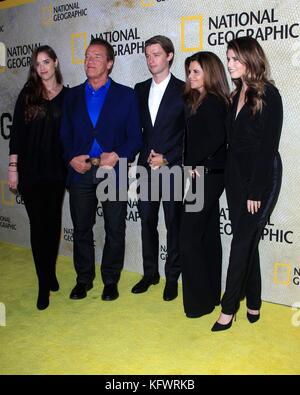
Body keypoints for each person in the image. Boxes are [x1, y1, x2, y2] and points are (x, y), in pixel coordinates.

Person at [60, 38, 142, 302]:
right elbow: (63, 136)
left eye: (96, 57)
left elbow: (135, 138)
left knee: (114, 229)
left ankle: (110, 280)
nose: (89, 61)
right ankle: (83, 280)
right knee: (82, 228)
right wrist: (71, 158)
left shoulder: (126, 95)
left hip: (112, 171)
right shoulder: (71, 96)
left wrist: (117, 155)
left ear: (109, 63)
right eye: (86, 56)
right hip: (80, 171)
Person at [212, 36, 283, 331]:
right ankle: (254, 301)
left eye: (235, 60)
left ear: (251, 60)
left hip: (261, 179)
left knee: (240, 244)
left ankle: (228, 309)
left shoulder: (270, 94)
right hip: (235, 178)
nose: (229, 65)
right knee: (248, 243)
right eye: (227, 59)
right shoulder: (234, 94)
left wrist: (256, 190)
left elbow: (268, 147)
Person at [8, 45, 67, 310]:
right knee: (38, 227)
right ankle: (43, 285)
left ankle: (50, 271)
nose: (42, 68)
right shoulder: (28, 94)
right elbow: (17, 134)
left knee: (53, 226)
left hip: (56, 172)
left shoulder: (68, 97)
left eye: (46, 62)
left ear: (56, 62)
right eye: (37, 64)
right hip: (31, 172)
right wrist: (13, 167)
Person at [132, 35, 185, 301]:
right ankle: (150, 273)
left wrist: (168, 158)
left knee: (174, 224)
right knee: (147, 223)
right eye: (147, 55)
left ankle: (172, 278)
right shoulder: (139, 89)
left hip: (172, 168)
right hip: (145, 169)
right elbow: (137, 131)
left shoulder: (185, 90)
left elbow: (190, 136)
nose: (151, 60)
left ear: (169, 56)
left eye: (156, 54)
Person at [180, 52, 230, 318]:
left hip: (206, 176)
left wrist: (193, 163)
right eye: (189, 72)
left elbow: (217, 138)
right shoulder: (204, 100)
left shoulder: (212, 102)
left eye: (196, 71)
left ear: (210, 72)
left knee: (187, 239)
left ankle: (199, 304)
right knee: (208, 236)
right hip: (208, 174)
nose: (190, 76)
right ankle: (211, 295)